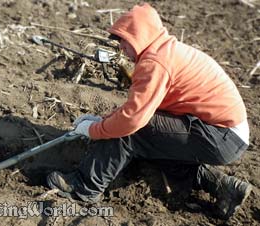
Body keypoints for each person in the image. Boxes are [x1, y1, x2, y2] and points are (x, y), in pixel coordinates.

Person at [46, 3, 252, 220]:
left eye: (124, 40)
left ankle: (84, 186)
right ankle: (225, 187)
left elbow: (131, 121)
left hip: (221, 135)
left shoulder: (155, 63)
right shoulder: (165, 51)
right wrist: (102, 120)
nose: (121, 48)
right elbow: (141, 109)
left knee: (133, 132)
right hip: (226, 133)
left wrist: (94, 130)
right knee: (154, 141)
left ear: (139, 36)